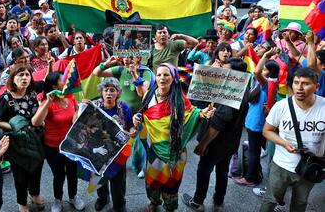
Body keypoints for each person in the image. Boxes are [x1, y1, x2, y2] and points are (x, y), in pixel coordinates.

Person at [133, 63, 215, 212]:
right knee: (152, 180)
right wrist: (136, 118)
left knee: (171, 183)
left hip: (174, 151)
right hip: (153, 149)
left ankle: (170, 207)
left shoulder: (179, 99)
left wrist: (203, 113)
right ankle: (154, 202)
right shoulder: (149, 95)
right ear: (155, 77)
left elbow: (193, 113)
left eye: (166, 75)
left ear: (173, 78)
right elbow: (143, 115)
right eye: (159, 75)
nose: (162, 78)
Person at [185, 58, 250, 212]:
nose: (221, 72)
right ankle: (218, 202)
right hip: (230, 143)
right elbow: (199, 100)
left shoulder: (230, 95)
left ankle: (197, 202)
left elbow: (218, 123)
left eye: (225, 70)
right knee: (222, 171)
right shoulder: (240, 88)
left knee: (204, 170)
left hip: (215, 144)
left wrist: (203, 144)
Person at [260, 68, 325, 212]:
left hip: (310, 167)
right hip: (281, 166)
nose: (299, 88)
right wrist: (284, 143)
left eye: (305, 83)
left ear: (317, 86)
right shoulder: (281, 106)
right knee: (270, 200)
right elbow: (267, 130)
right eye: (296, 83)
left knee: (300, 203)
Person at [31, 71, 85, 212]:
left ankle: (73, 197)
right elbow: (36, 122)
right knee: (59, 175)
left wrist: (81, 109)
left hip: (71, 145)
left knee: (73, 173)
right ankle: (58, 200)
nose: (66, 80)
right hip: (53, 147)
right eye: (63, 79)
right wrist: (48, 102)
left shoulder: (71, 97)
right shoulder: (47, 102)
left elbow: (75, 117)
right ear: (55, 85)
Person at [0, 65, 45, 212]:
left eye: (27, 75)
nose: (24, 78)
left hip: (37, 138)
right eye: (20, 75)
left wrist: (49, 65)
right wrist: (15, 126)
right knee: (21, 174)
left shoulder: (33, 92)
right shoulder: (5, 98)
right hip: (17, 141)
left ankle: (34, 194)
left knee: (37, 168)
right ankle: (22, 202)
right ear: (12, 78)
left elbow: (55, 80)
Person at [233, 50, 280, 187]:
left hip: (256, 124)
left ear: (270, 73)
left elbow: (256, 72)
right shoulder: (266, 84)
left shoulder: (267, 85)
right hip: (255, 122)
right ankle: (254, 174)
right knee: (255, 151)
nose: (262, 71)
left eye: (266, 69)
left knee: (254, 152)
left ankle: (250, 179)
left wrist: (265, 56)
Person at [90, 77, 134, 212]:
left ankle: (119, 203)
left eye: (112, 90)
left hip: (118, 151)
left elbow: (130, 126)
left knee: (118, 180)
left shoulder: (124, 107)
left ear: (118, 93)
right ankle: (102, 199)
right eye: (106, 90)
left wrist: (132, 132)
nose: (109, 93)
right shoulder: (93, 106)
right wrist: (81, 108)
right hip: (98, 150)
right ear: (101, 92)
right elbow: (81, 124)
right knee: (98, 177)